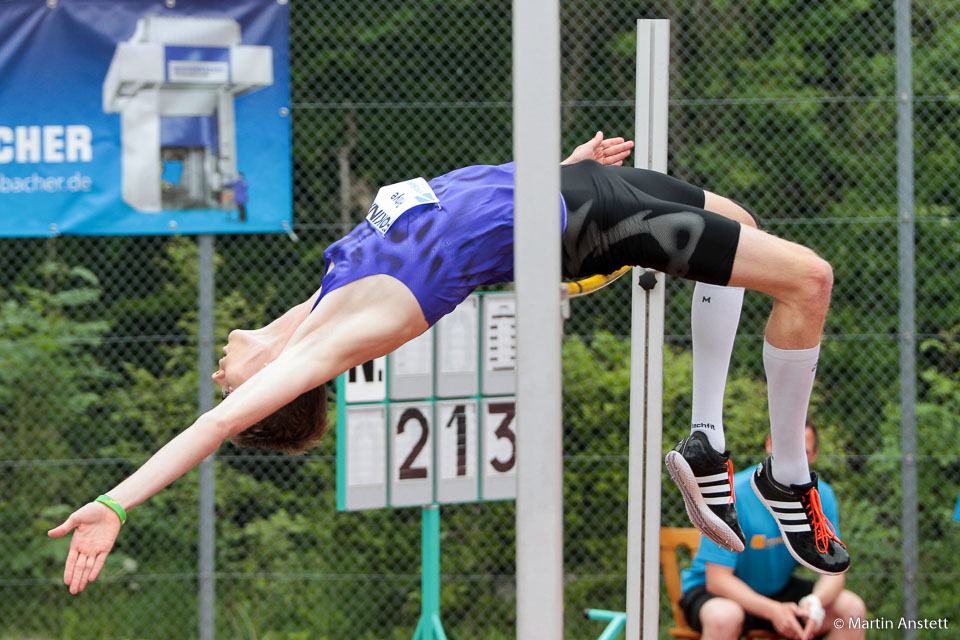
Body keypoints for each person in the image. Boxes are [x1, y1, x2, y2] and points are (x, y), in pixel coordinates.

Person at [48, 131, 848, 595]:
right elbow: (216, 427)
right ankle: (785, 475)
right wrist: (115, 504)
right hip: (588, 226)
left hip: (568, 185)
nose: (218, 368)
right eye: (229, 383)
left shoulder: (323, 295)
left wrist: (563, 163)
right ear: (269, 390)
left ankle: (707, 439)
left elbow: (462, 204)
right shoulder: (331, 340)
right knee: (809, 281)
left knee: (746, 226)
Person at [678, 420, 866, 640]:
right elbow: (717, 580)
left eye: (802, 452)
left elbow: (834, 573)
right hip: (719, 594)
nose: (794, 458)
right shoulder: (732, 493)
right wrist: (773, 611)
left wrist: (815, 602)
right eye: (787, 449)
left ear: (814, 456)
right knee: (724, 616)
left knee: (851, 608)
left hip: (777, 591)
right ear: (770, 444)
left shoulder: (820, 497)